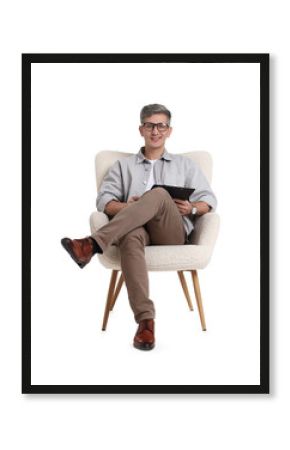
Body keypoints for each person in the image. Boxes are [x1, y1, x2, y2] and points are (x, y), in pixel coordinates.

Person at [61, 104, 217, 351]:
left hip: (171, 232)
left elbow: (210, 200)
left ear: (169, 131)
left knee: (158, 195)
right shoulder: (123, 166)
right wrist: (127, 207)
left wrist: (192, 208)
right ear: (141, 129)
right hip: (136, 230)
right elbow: (104, 201)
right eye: (149, 125)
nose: (155, 131)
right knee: (130, 235)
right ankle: (145, 322)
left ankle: (91, 244)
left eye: (161, 125)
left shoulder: (185, 165)